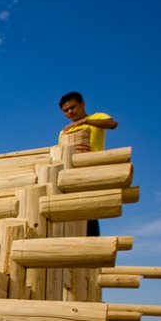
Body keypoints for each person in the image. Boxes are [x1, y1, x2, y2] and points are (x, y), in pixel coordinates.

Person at [58, 92, 118, 236]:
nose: (70, 112)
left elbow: (112, 124)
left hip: (91, 171)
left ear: (82, 104)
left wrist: (85, 122)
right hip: (71, 174)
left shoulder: (96, 118)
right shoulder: (64, 131)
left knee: (89, 211)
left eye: (73, 107)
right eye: (66, 110)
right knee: (72, 212)